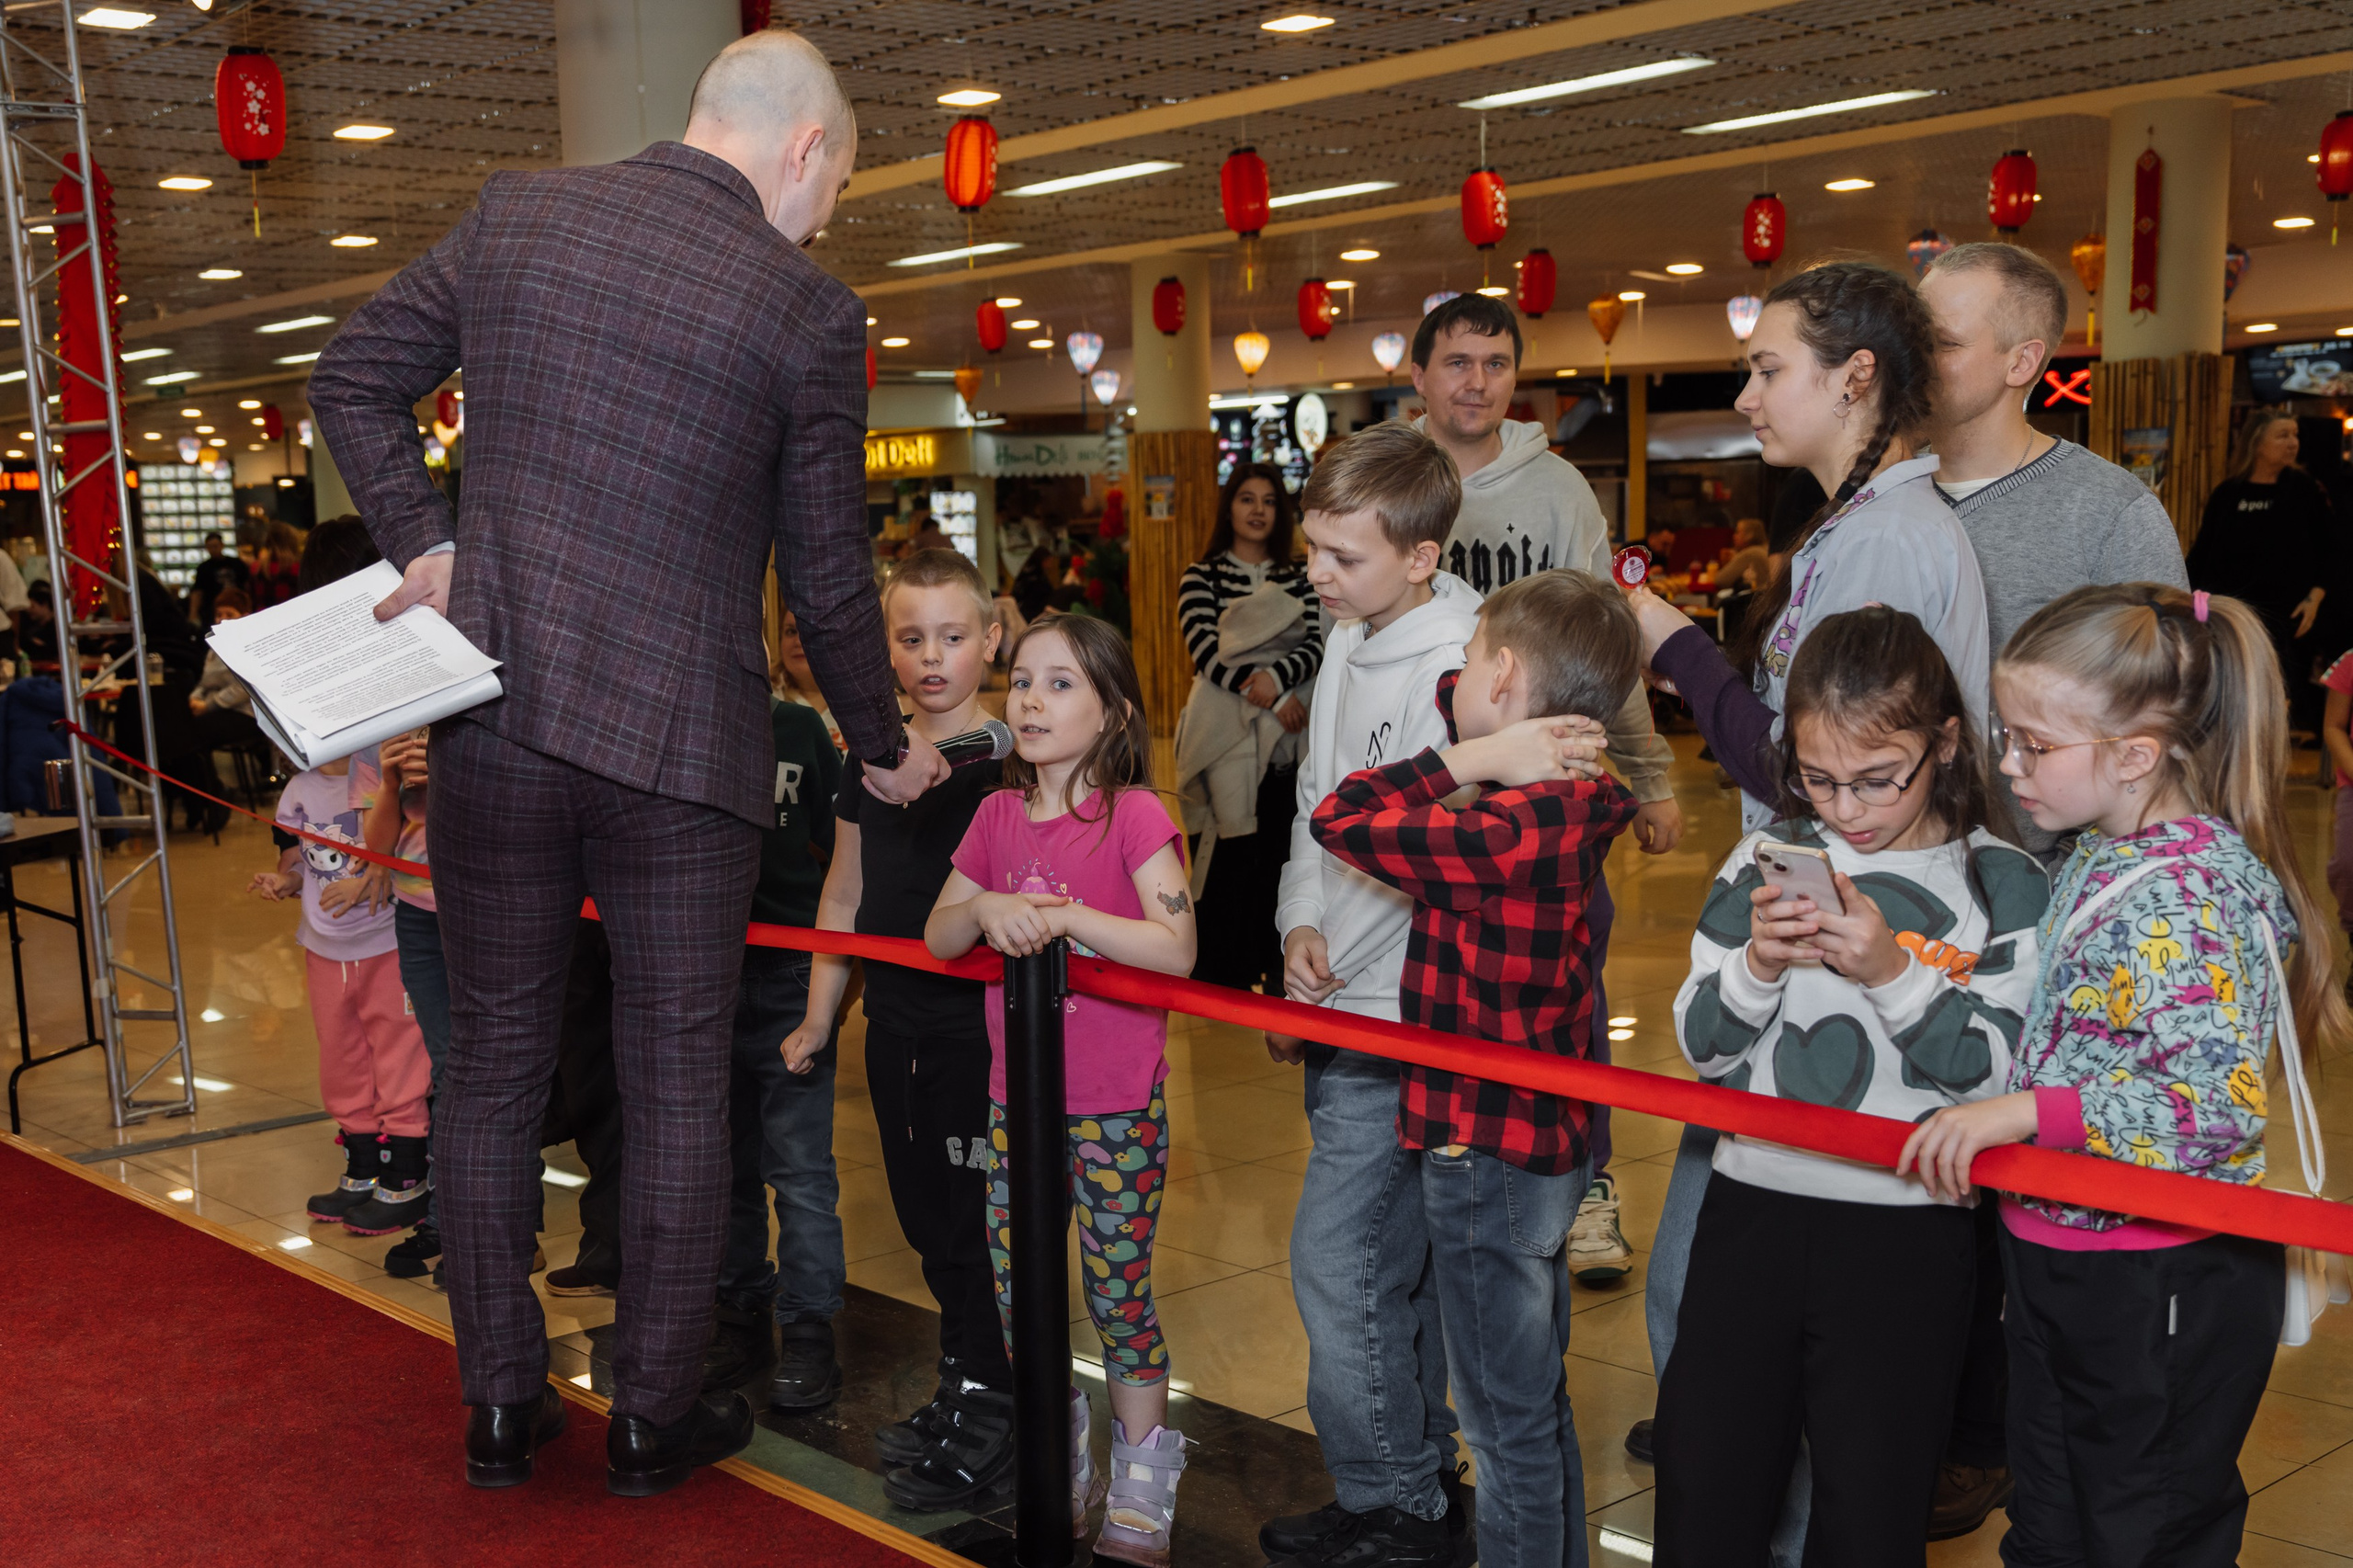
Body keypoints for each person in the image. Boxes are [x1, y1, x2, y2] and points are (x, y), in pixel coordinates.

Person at [309, 28, 943, 1495]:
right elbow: (831, 578)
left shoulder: (520, 214)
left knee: (489, 1073)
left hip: (501, 730)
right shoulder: (803, 307)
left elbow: (353, 381)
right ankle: (655, 1413)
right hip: (683, 748)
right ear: (802, 148)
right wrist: (884, 743)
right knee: (672, 1081)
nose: (828, 215)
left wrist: (432, 544)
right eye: (835, 184)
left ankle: (499, 1402)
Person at [1622, 261, 1991, 1546]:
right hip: (1794, 954)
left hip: (1855, 990)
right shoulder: (1863, 523)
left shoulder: (1887, 534)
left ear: (1858, 378)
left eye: (1770, 365)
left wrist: (1667, 640)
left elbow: (1803, 764)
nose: (1747, 391)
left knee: (1739, 1350)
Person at [1899, 583, 2348, 1566]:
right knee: (2055, 1514)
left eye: (2034, 744)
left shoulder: (2189, 891)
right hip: (2066, 1246)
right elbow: (2076, 1007)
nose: (2007, 763)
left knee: (2145, 1528)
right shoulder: (2103, 850)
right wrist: (1916, 963)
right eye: (2004, 733)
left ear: (2136, 755)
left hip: (2159, 1276)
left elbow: (2206, 1107)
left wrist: (2019, 1109)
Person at [1655, 608, 2047, 1565]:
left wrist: (1892, 972)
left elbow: (2002, 1071)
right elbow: (1702, 1048)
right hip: (1751, 1205)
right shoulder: (1765, 857)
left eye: (1878, 778)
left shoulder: (2004, 882)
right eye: (1819, 778)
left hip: (1907, 1226)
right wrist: (1754, 964)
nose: (1846, 808)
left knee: (1872, 1508)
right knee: (1706, 1485)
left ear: (1946, 742)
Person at [1311, 569, 1638, 1568]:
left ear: (1497, 674)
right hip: (1539, 1140)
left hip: (1483, 1148)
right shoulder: (1579, 801)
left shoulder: (1505, 823)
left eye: (1466, 666)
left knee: (1502, 1423)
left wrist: (1468, 755)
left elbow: (1344, 814)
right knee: (1529, 1396)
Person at [1409, 290, 1684, 1287]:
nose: (1475, 381)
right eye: (1456, 362)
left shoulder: (1558, 488)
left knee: (1570, 986)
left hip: (1555, 791)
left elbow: (1606, 640)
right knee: (1444, 992)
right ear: (1420, 375)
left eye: (1493, 363)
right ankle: (1450, 1164)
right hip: (1437, 786)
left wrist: (1649, 776)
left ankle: (1588, 1181)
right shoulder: (1396, 480)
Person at [926, 612, 1197, 1563]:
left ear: (1113, 709)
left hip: (1116, 1107)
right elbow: (939, 933)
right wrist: (989, 904)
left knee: (1118, 1291)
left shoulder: (1134, 815)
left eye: (1061, 683)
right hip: (1018, 1108)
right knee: (1020, 1294)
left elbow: (1176, 947)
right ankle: (1057, 1444)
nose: (1030, 699)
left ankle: (1142, 1469)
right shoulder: (997, 815)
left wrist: (1070, 915)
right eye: (1024, 681)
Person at [1264, 423, 1483, 1568]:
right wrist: (1301, 916)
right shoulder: (1349, 634)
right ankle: (1410, 1472)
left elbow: (1442, 850)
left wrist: (1355, 931)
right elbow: (1315, 801)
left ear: (1422, 556)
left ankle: (1395, 1487)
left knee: (1337, 1257)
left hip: (1410, 1014)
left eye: (1342, 555)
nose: (1319, 574)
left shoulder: (1464, 665)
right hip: (1334, 1000)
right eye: (1313, 548)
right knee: (1384, 1261)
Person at [787, 548, 1012, 1481]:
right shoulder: (861, 768)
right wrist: (817, 1014)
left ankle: (999, 1397)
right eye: (911, 637)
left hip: (985, 1031)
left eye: (953, 636)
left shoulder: (1007, 757)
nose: (931, 656)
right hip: (899, 1029)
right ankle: (963, 1379)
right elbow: (842, 896)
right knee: (925, 1220)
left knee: (977, 1224)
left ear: (989, 640)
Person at [1922, 242, 2188, 858]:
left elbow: (2168, 712)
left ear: (2022, 362)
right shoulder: (1882, 500)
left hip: (2044, 881)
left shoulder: (2110, 512)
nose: (1917, 360)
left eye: (1945, 344)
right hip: (1893, 869)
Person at [257, 524, 433, 1245]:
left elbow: (384, 833)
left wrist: (375, 873)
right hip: (324, 942)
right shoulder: (305, 785)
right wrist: (285, 875)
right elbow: (300, 847)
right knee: (342, 1050)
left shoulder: (378, 733)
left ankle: (407, 1169)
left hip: (392, 933)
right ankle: (363, 1162)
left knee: (401, 1049)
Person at [711, 676, 847, 1403]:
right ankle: (738, 1304)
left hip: (794, 969)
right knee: (722, 1158)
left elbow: (839, 848)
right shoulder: (679, 719)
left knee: (798, 1167)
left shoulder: (797, 727)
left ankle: (809, 1327)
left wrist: (839, 974)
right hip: (705, 966)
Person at [1173, 461, 1322, 994]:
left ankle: (1275, 963)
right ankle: (1223, 972)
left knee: (1281, 848)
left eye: (1269, 501)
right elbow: (1206, 652)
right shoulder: (1201, 576)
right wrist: (1271, 693)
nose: (1258, 510)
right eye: (1246, 499)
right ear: (1228, 508)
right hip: (1223, 734)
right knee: (1227, 852)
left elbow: (1317, 644)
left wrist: (1280, 679)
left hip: (1287, 738)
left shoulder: (1301, 573)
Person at [361, 724, 451, 1280]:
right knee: (449, 1069)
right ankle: (452, 1220)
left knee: (497, 1069)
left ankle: (506, 1230)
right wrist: (391, 780)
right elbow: (377, 847)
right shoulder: (393, 727)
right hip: (418, 913)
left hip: (495, 902)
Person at [2188, 411, 2336, 727]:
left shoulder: (2304, 489)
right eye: (2282, 435)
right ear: (2257, 442)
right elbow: (2202, 555)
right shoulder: (2228, 493)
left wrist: (2315, 598)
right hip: (2229, 613)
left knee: (2277, 694)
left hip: (2288, 615)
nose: (2292, 443)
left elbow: (2330, 550)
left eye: (2295, 435)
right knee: (2230, 692)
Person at [772, 608, 843, 751]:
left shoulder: (862, 699)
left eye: (809, 631)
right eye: (791, 632)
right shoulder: (764, 696)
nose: (798, 641)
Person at [190, 530, 249, 626]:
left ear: (222, 545)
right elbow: (197, 592)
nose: (213, 549)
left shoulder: (236, 563)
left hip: (237, 608)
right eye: (210, 547)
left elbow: (247, 585)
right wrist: (193, 614)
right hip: (212, 610)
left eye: (215, 546)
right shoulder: (204, 568)